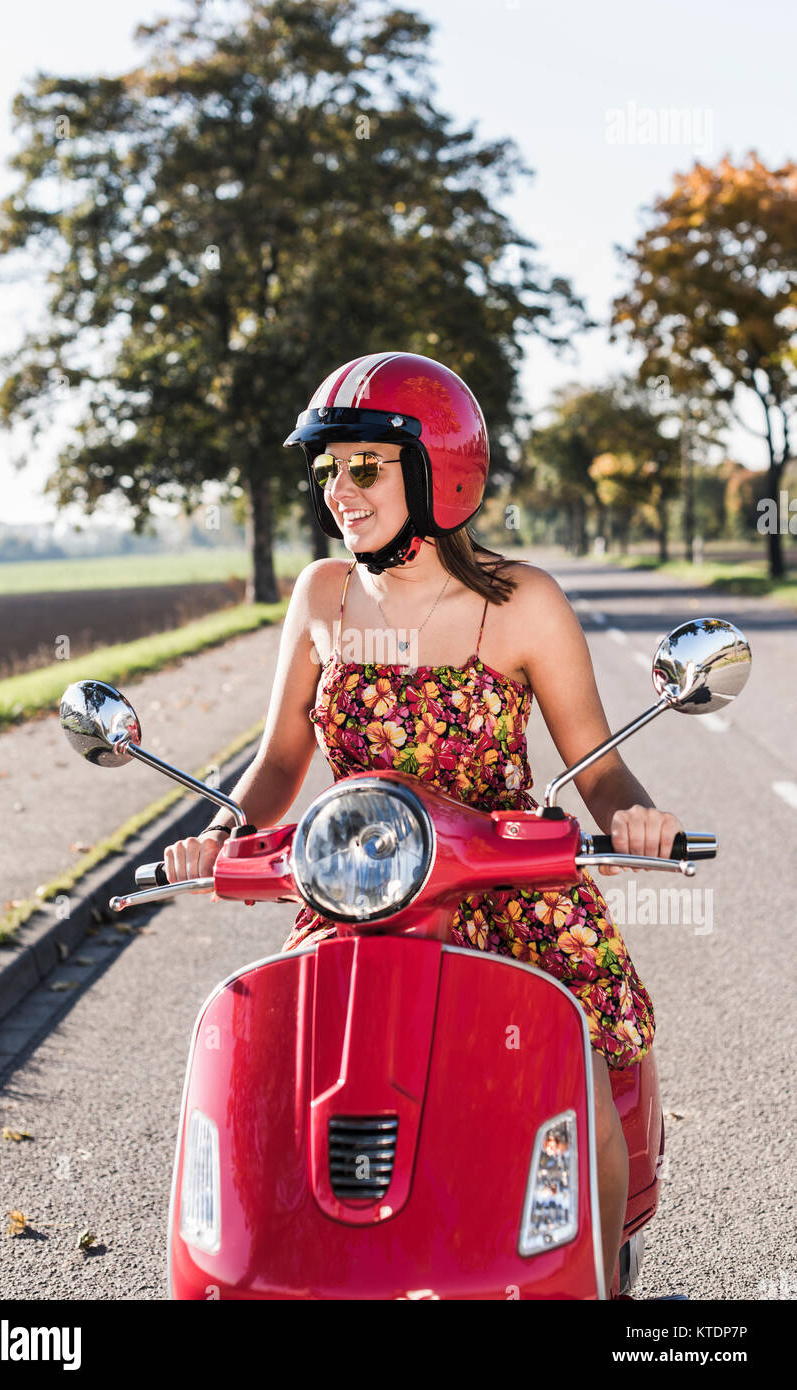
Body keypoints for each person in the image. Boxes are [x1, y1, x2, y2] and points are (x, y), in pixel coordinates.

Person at [162, 350, 683, 1296]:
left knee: (585, 1097)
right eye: (327, 471)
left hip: (510, 890)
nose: (339, 493)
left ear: (441, 473)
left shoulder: (521, 603)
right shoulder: (322, 595)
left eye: (362, 467)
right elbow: (282, 761)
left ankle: (599, 1287)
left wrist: (634, 817)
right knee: (277, 1099)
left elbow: (595, 766)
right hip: (355, 900)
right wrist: (222, 829)